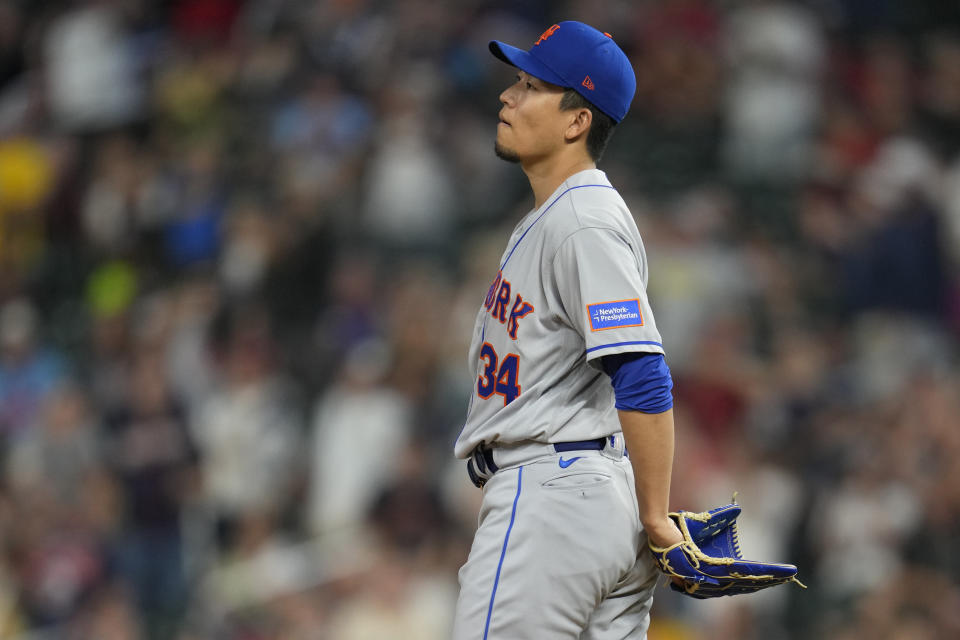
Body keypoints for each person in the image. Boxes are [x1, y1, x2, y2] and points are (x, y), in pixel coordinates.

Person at [452, 21, 685, 639]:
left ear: (577, 121)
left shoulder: (581, 220)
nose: (508, 96)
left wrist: (656, 516)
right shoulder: (562, 214)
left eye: (530, 86)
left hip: (553, 499)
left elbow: (641, 370)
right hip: (582, 495)